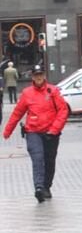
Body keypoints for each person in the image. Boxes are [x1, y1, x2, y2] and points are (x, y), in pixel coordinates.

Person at [2, 65, 68, 203]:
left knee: (49, 162)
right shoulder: (27, 93)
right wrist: (8, 131)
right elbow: (17, 113)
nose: (39, 77)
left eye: (41, 74)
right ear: (32, 77)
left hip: (51, 133)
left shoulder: (53, 91)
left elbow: (63, 111)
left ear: (44, 76)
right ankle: (38, 188)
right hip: (33, 132)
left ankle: (46, 187)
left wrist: (54, 129)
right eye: (36, 75)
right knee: (38, 158)